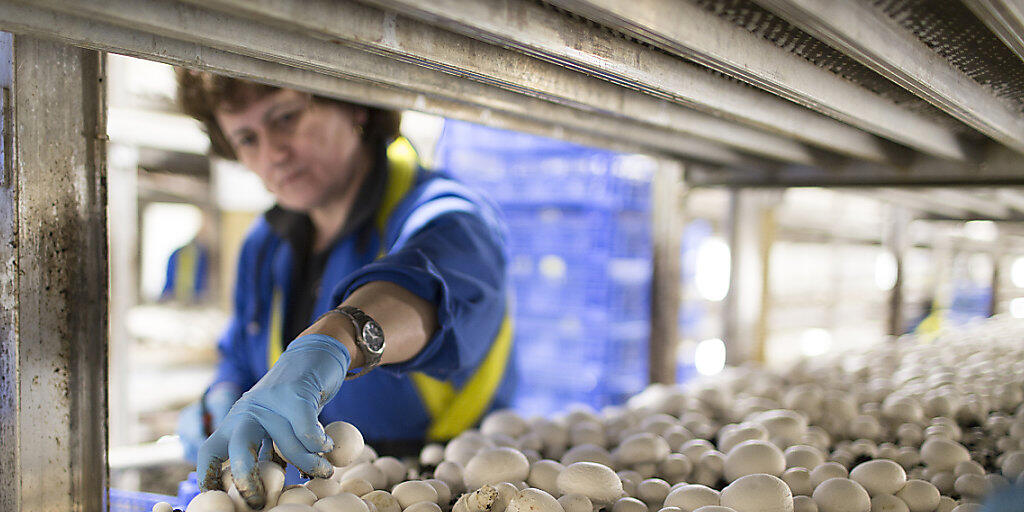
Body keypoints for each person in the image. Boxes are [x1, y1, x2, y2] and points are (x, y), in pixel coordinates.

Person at [173, 70, 516, 509]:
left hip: (445, 488)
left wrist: (340, 340)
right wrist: (221, 397)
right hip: (313, 493)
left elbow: (432, 281)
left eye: (286, 118)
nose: (273, 153)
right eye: (246, 139)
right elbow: (241, 356)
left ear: (354, 103)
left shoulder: (447, 215)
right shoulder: (264, 246)